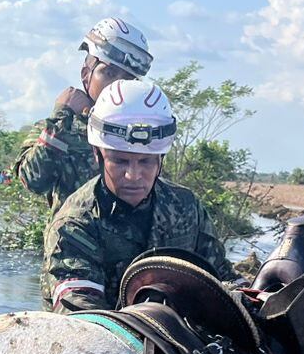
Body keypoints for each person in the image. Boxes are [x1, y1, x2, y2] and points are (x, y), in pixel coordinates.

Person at [41, 80, 231, 313]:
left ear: (160, 159)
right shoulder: (74, 224)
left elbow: (221, 277)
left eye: (145, 161)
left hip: (176, 333)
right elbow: (81, 313)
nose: (133, 175)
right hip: (103, 333)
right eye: (120, 161)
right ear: (97, 155)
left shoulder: (186, 206)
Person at [14, 16, 153, 212]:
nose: (116, 84)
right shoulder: (60, 126)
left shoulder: (142, 131)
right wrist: (61, 119)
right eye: (109, 73)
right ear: (86, 75)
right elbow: (33, 181)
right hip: (74, 230)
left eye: (128, 79)